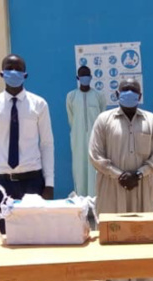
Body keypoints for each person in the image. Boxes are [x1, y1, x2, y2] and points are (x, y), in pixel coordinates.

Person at [0, 54, 54, 281]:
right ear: (1, 73)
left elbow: (47, 144)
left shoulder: (38, 105)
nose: (13, 71)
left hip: (33, 180)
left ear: (26, 74)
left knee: (36, 241)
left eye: (18, 68)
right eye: (8, 68)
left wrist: (49, 183)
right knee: (8, 241)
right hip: (4, 183)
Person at [89, 78, 153, 281]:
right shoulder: (104, 120)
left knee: (143, 238)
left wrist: (139, 175)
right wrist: (118, 174)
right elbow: (95, 154)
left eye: (134, 90)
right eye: (125, 89)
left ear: (140, 94)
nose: (130, 93)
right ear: (117, 92)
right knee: (111, 237)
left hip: (143, 188)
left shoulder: (152, 121)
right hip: (112, 188)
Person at [66, 65, 107, 196]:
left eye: (87, 75)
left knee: (94, 167)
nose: (85, 77)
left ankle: (96, 200)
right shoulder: (71, 96)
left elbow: (102, 116)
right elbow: (71, 118)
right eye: (82, 75)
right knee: (80, 167)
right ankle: (82, 200)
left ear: (91, 77)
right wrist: (79, 130)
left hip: (96, 138)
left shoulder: (99, 96)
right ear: (78, 78)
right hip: (78, 138)